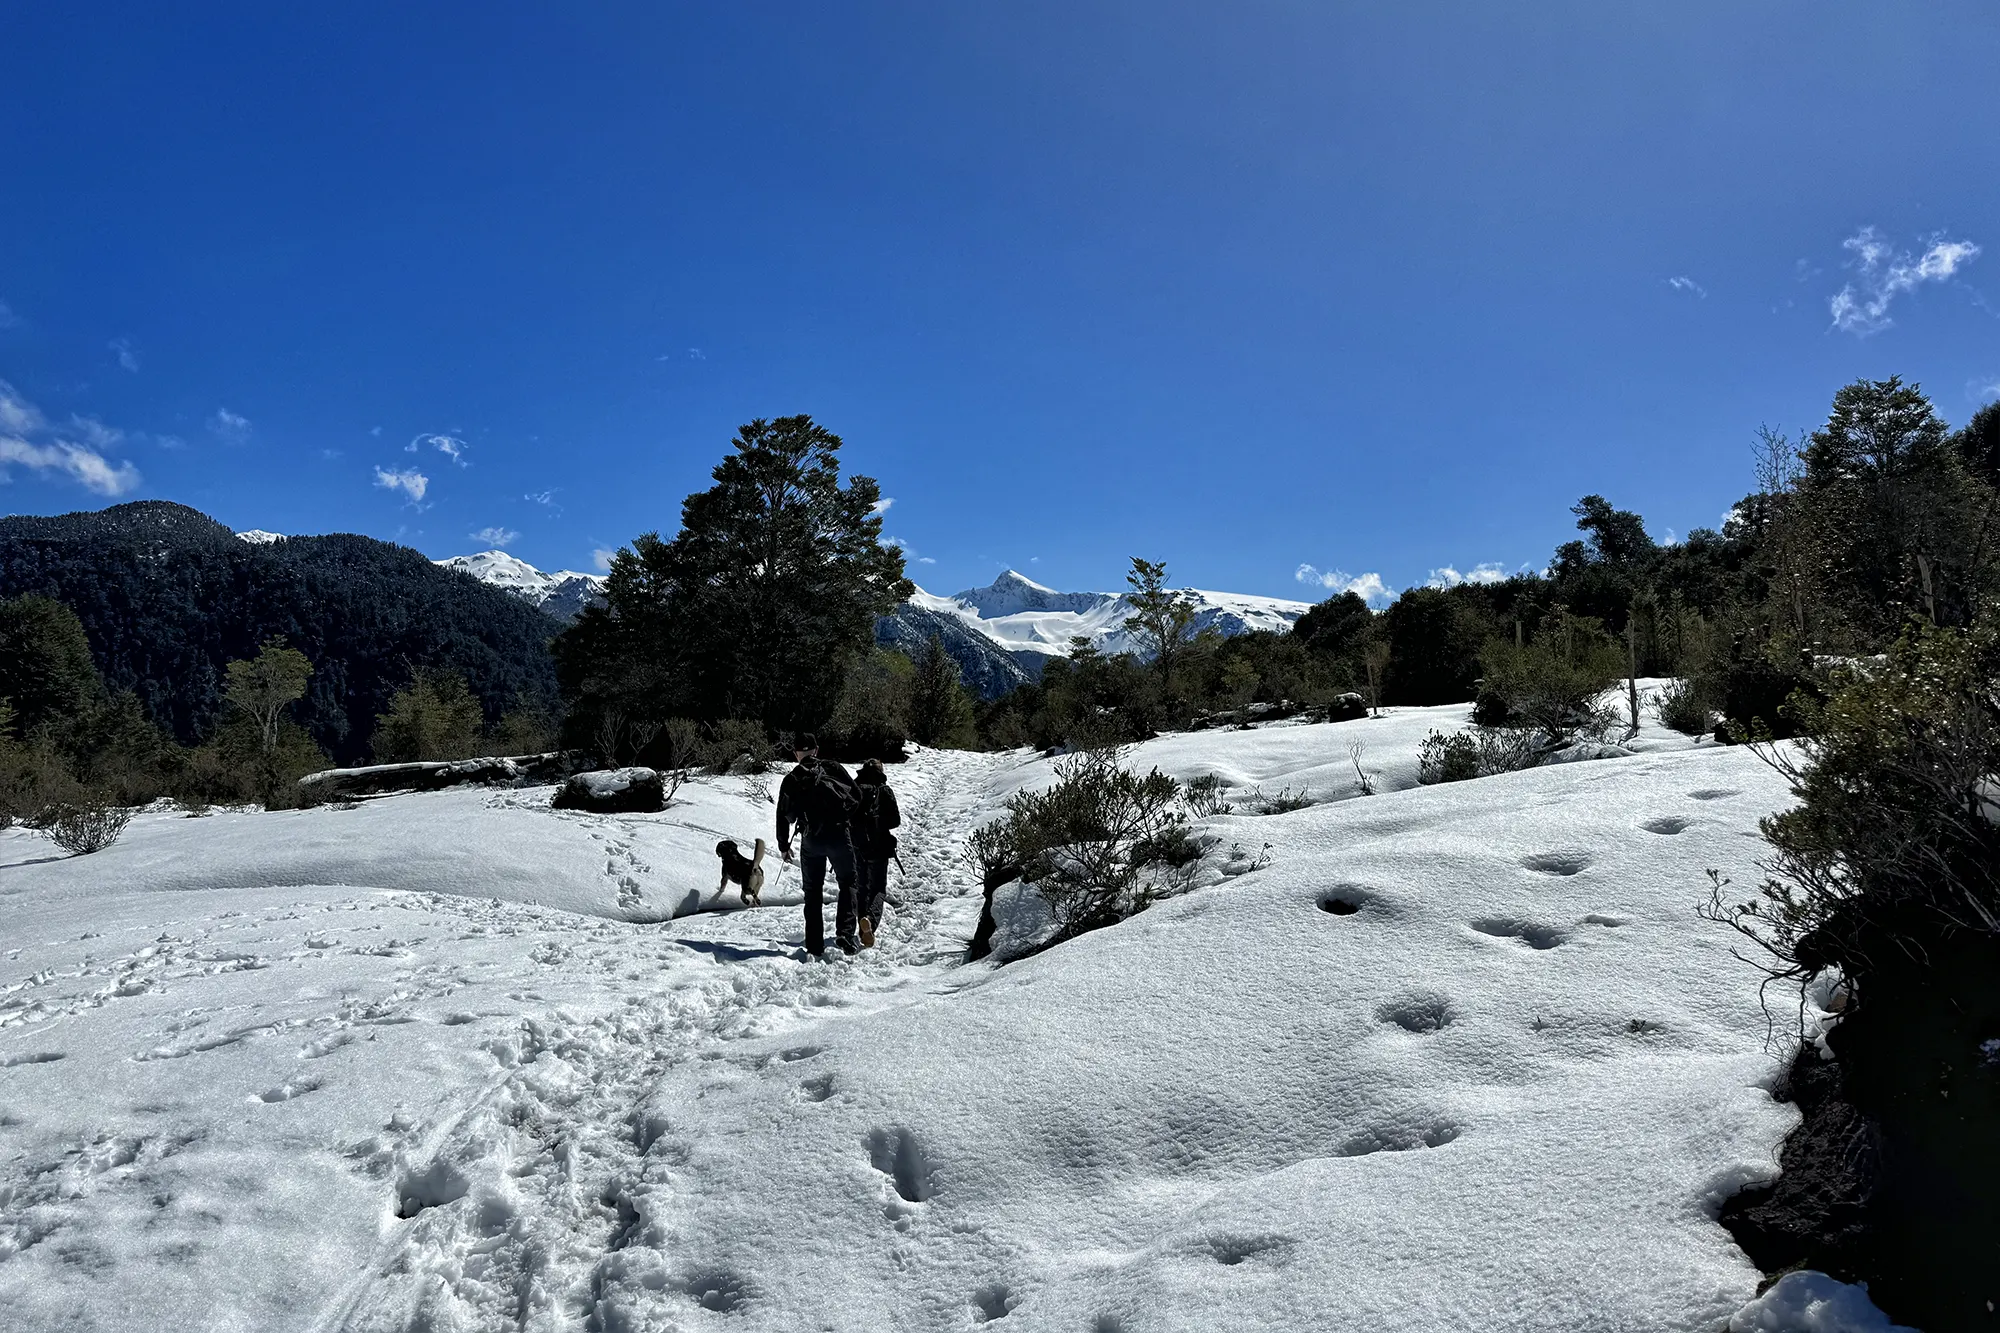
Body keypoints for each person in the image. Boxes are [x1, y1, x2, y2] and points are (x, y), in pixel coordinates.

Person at [775, 732, 862, 957]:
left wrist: (783, 845)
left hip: (810, 839)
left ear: (796, 754)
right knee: (848, 882)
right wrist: (845, 818)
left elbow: (782, 815)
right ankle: (845, 934)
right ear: (816, 750)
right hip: (839, 835)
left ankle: (814, 946)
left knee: (812, 892)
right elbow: (857, 795)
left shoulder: (792, 779)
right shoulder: (832, 767)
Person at [851, 759, 902, 948]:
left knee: (861, 888)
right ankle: (870, 923)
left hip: (857, 846)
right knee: (878, 889)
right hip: (879, 846)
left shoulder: (854, 788)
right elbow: (895, 820)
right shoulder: (884, 790)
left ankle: (862, 922)